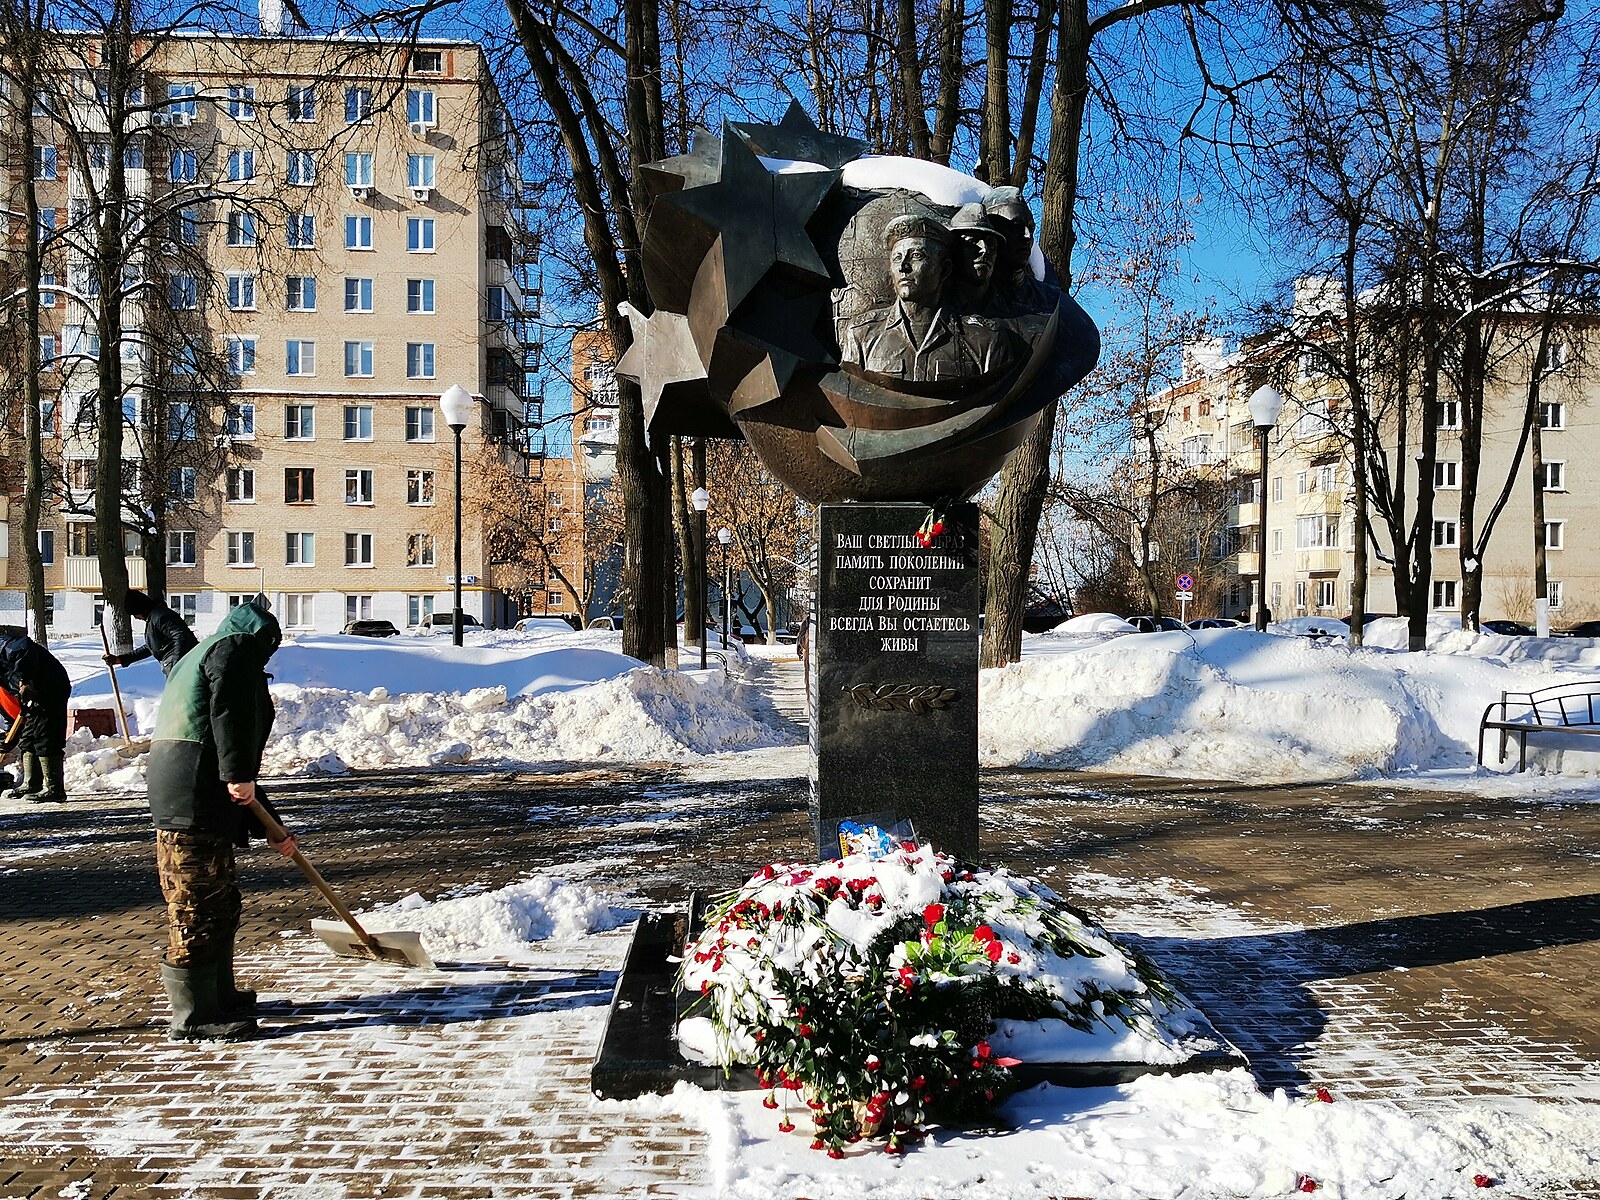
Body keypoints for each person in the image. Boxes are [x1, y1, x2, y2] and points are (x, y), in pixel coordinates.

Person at [145, 600, 296, 1042]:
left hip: (198, 784)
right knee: (195, 904)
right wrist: (238, 773)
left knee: (221, 900)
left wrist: (272, 827)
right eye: (268, 647)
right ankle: (194, 1015)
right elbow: (229, 714)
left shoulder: (206, 651)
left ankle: (219, 996)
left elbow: (232, 756)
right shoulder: (233, 649)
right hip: (190, 793)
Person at [839, 214, 1015, 383]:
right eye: (897, 258)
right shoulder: (861, 335)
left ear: (944, 270)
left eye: (917, 256)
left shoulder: (985, 339)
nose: (903, 267)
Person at [0, 626, 72, 802]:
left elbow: (24, 649)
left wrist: (25, 680)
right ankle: (31, 784)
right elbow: (9, 707)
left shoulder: (4, 644)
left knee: (45, 737)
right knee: (28, 738)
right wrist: (10, 735)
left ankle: (55, 790)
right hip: (31, 696)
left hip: (50, 688)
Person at [103, 590, 200, 678]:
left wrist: (176, 666)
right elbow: (151, 647)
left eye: (135, 614)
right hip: (176, 667)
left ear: (140, 609)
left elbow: (182, 637)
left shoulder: (161, 616)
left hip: (184, 668)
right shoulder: (154, 618)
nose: (136, 618)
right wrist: (120, 659)